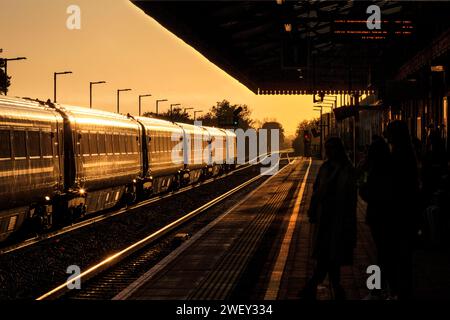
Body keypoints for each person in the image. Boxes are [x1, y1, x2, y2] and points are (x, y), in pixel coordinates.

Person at [300, 137, 357, 300]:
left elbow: (351, 197)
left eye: (331, 149)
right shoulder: (325, 168)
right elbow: (316, 190)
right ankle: (334, 289)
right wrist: (312, 209)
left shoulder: (347, 170)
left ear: (338, 150)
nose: (328, 152)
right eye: (327, 148)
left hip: (340, 218)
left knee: (330, 255)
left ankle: (315, 287)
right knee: (329, 255)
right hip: (324, 217)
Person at [385, 120, 419, 299]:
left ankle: (391, 291)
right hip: (406, 215)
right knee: (403, 258)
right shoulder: (408, 154)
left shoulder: (398, 156)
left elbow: (393, 185)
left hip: (398, 215)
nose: (386, 134)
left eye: (389, 131)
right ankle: (402, 291)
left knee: (390, 257)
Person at [359, 135, 393, 299]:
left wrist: (362, 185)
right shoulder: (392, 166)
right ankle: (385, 288)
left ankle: (376, 289)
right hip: (390, 215)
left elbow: (367, 192)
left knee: (380, 253)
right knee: (385, 253)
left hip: (378, 216)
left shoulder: (376, 171)